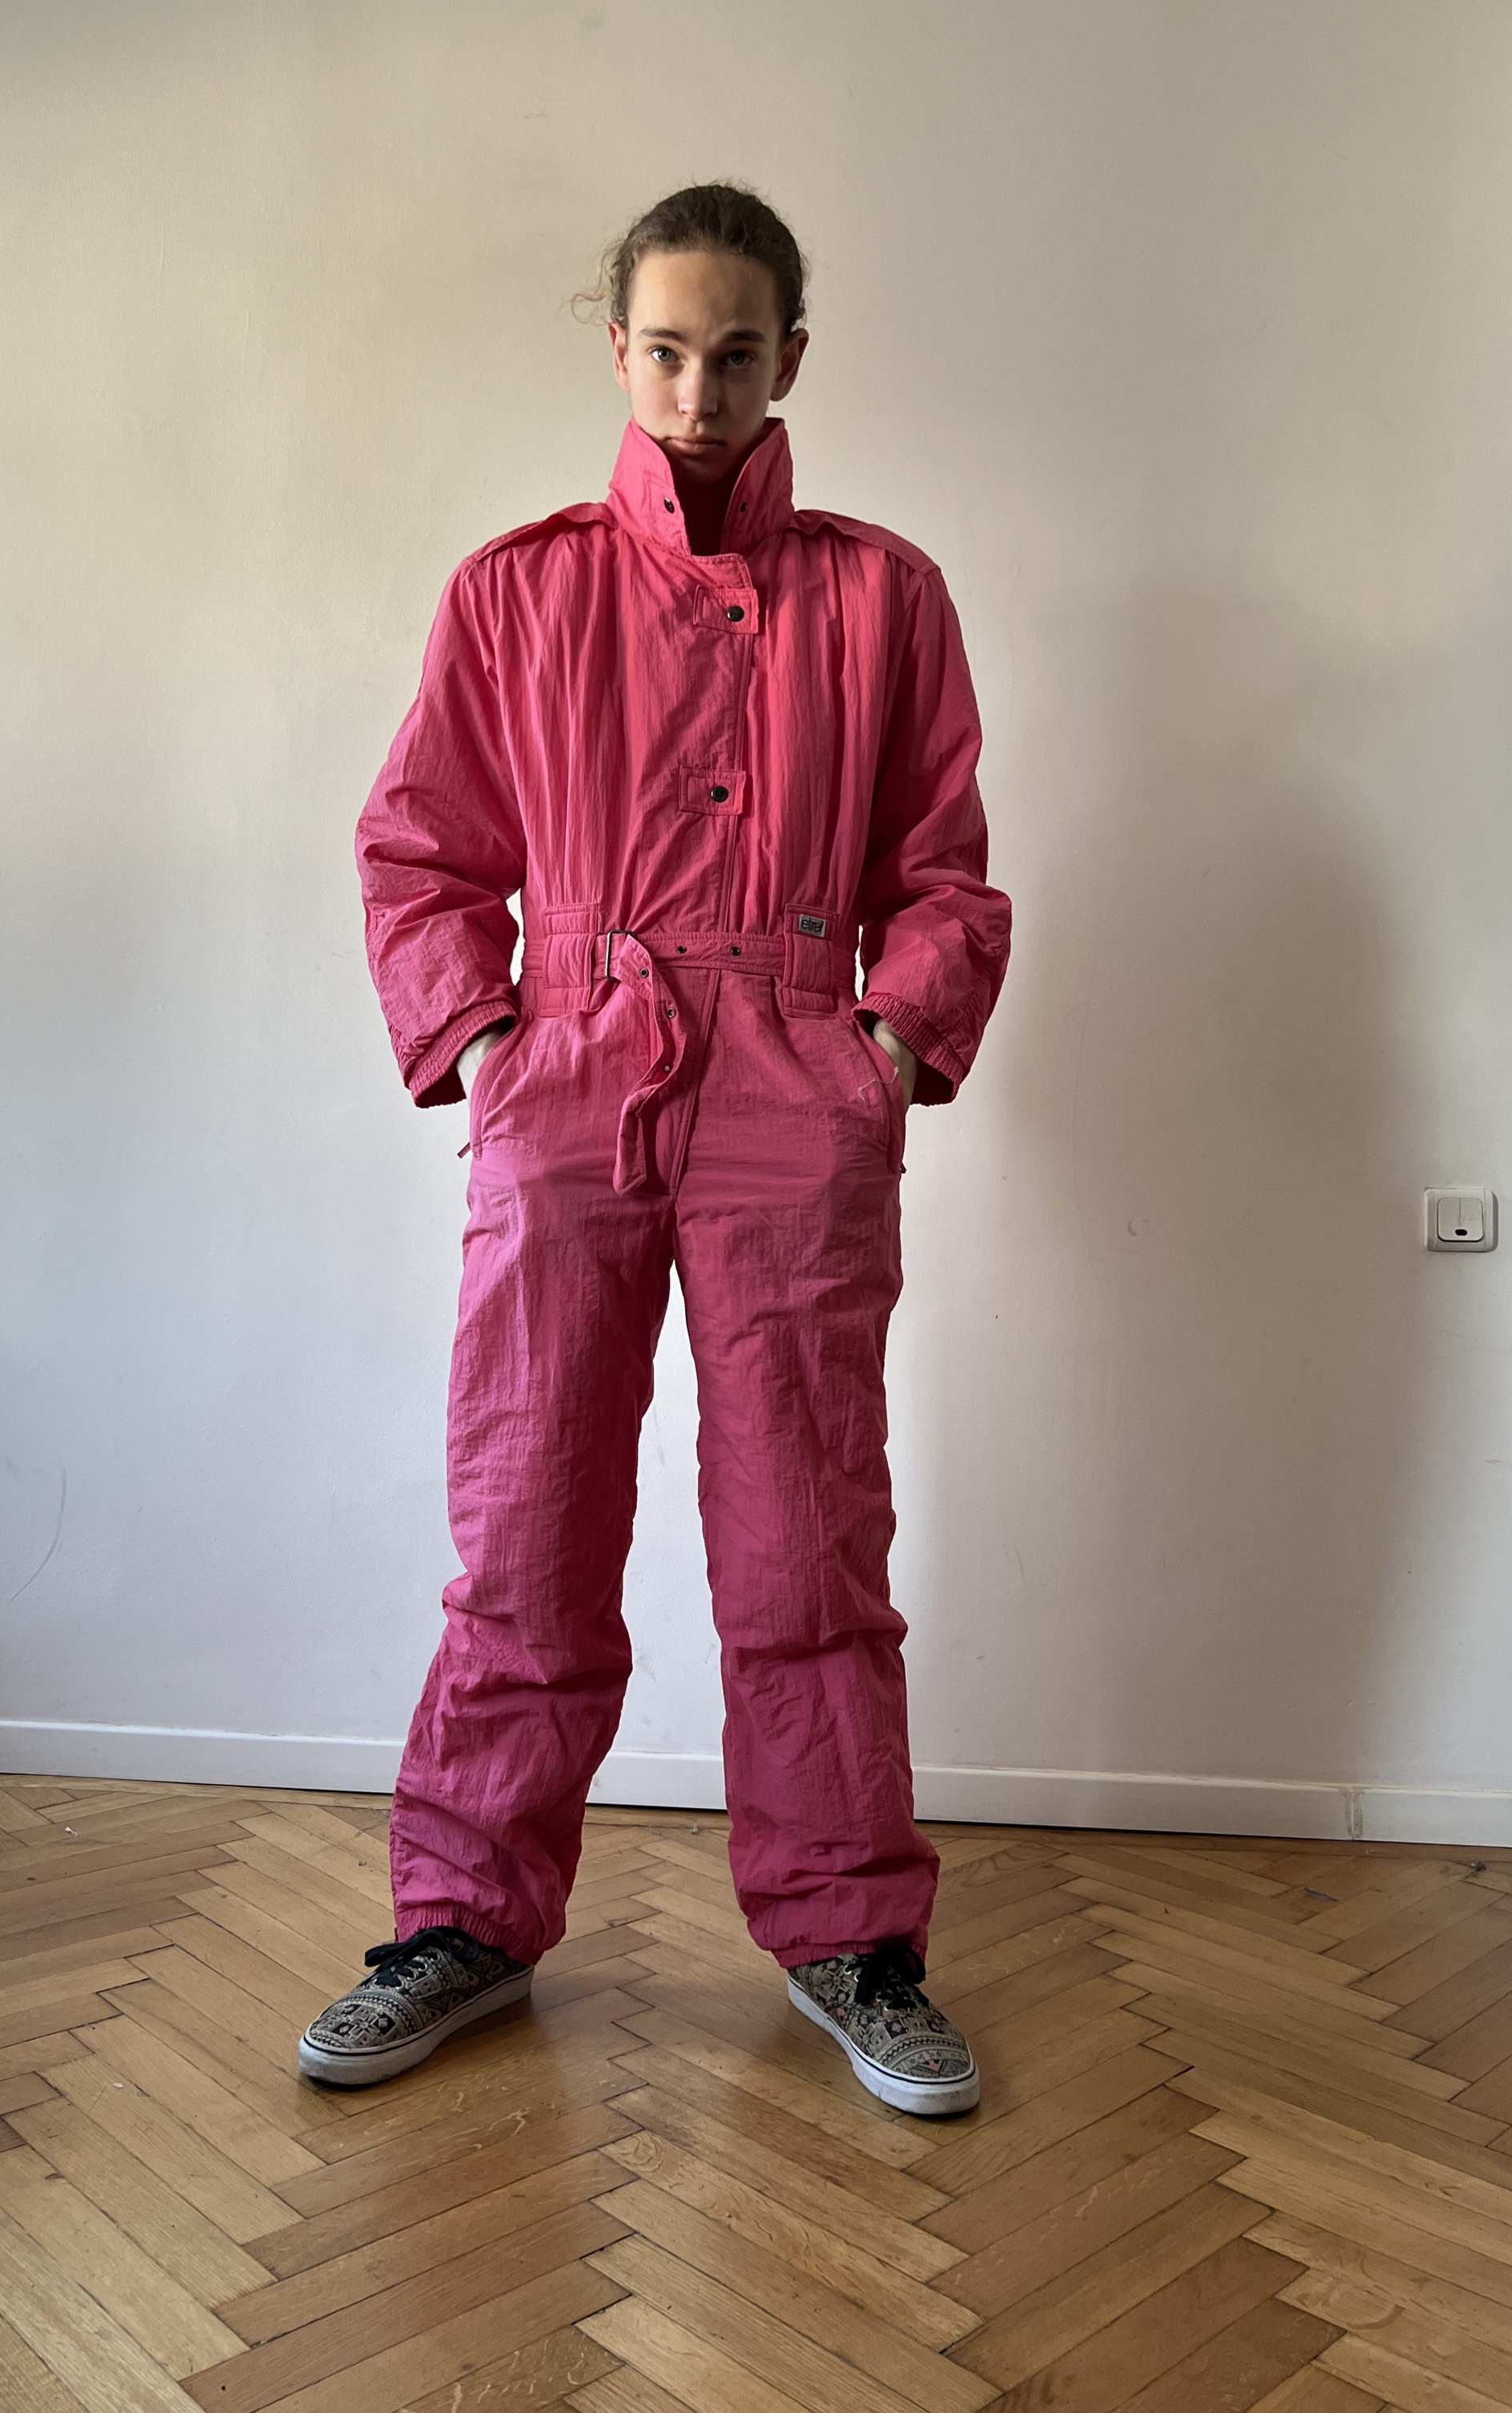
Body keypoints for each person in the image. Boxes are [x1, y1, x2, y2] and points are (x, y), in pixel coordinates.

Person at [302, 183, 1011, 2117]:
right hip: (571, 1072)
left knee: (807, 1531)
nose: (702, 392)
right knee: (524, 1513)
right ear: (616, 350)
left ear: (795, 358)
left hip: (795, 1077)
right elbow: (418, 849)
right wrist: (487, 1042)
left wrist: (881, 1047)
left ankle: (852, 1936)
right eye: (670, 351)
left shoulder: (885, 597)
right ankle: (464, 1918)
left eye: (740, 353)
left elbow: (944, 872)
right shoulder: (516, 591)